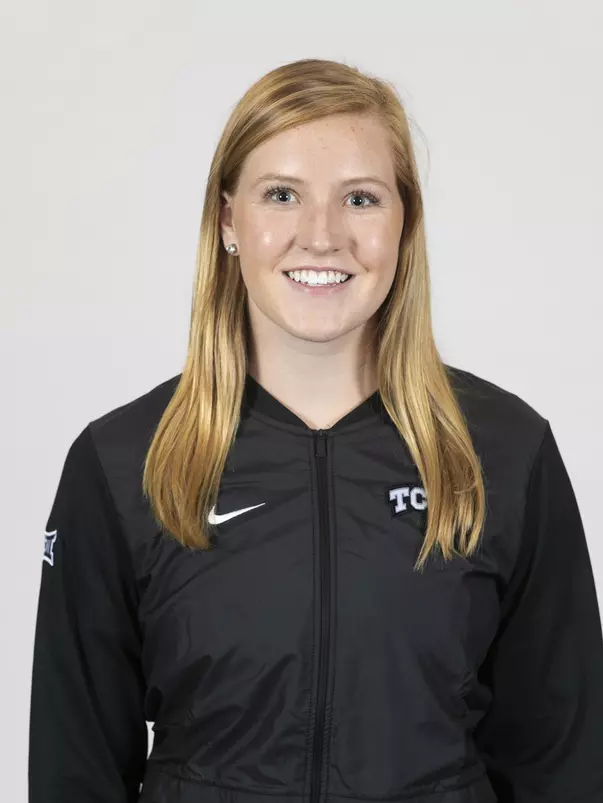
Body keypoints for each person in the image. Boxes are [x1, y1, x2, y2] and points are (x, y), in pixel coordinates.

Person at [28, 58, 603, 803]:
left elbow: (563, 763)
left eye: (360, 198)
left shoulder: (502, 450)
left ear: (405, 222)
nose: (321, 235)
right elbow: (74, 770)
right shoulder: (122, 463)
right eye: (281, 195)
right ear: (229, 219)